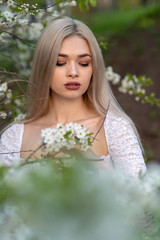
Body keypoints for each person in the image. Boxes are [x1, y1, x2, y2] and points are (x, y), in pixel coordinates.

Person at [0, 17, 147, 176]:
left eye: (84, 63)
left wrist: (87, 156)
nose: (73, 72)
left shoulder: (115, 128)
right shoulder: (14, 137)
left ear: (93, 68)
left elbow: (140, 193)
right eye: (60, 62)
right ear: (44, 66)